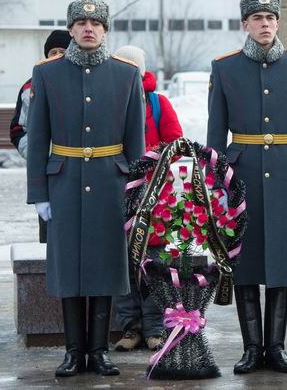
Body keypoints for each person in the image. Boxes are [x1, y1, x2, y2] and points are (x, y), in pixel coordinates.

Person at [26, 0, 145, 377]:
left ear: (106, 30)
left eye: (96, 23)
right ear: (72, 29)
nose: (88, 28)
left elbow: (135, 142)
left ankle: (99, 351)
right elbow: (37, 137)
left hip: (110, 181)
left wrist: (136, 188)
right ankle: (74, 351)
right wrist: (39, 193)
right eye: (80, 23)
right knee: (69, 269)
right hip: (64, 182)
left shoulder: (126, 75)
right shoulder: (47, 74)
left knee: (104, 267)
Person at [207, 0, 287, 374]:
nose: (265, 24)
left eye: (271, 18)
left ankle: (277, 347)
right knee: (247, 263)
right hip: (242, 176)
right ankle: (251, 348)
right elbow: (215, 133)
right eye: (257, 19)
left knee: (281, 265)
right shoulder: (225, 68)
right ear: (245, 24)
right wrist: (214, 183)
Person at [112, 45, 183, 352]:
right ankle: (130, 327)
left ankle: (155, 326)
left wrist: (153, 163)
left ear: (140, 71)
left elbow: (176, 143)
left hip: (154, 195)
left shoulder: (157, 102)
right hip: (116, 190)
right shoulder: (108, 100)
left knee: (153, 262)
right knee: (122, 261)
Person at [10, 29, 71, 243]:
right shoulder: (31, 85)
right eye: (52, 52)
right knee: (50, 232)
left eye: (62, 51)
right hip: (48, 170)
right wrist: (39, 156)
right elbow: (19, 130)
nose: (56, 56)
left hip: (76, 165)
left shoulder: (83, 83)